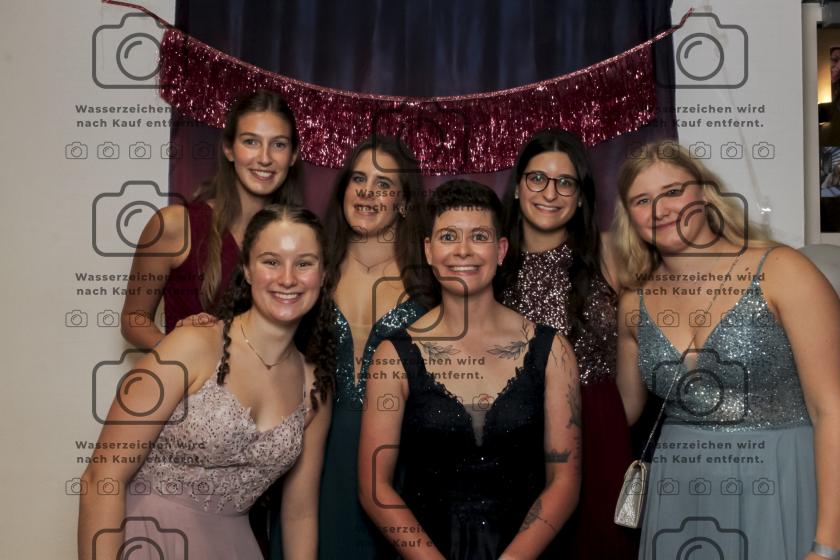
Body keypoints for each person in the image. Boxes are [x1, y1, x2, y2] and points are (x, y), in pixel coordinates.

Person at [612, 141, 840, 560]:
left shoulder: (783, 271)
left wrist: (827, 545)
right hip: (678, 490)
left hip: (779, 480)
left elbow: (833, 410)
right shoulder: (633, 301)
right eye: (642, 200)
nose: (660, 209)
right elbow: (621, 410)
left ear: (705, 193)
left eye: (673, 192)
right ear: (629, 216)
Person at [78, 205, 333, 560]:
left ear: (323, 274)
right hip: (146, 540)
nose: (287, 278)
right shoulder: (191, 345)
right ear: (247, 269)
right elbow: (102, 478)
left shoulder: (315, 387)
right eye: (271, 262)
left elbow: (299, 515)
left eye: (304, 263)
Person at [359, 180, 581, 560]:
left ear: (500, 251)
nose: (463, 250)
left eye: (479, 236)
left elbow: (564, 481)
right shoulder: (393, 355)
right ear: (429, 251)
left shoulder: (553, 350)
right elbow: (374, 488)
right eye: (449, 236)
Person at [269, 136, 435, 560]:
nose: (366, 192)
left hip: (400, 463)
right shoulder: (311, 268)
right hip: (315, 459)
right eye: (358, 179)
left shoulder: (431, 279)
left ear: (404, 201)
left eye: (383, 184)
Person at [497, 129, 636, 558]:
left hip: (598, 430)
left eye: (565, 182)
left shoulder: (609, 253)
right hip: (512, 436)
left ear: (579, 197)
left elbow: (633, 380)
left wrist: (606, 426)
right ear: (518, 187)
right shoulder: (491, 259)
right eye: (537, 178)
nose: (550, 193)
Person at [120, 89, 302, 347]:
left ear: (293, 156)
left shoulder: (300, 239)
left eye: (279, 145)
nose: (264, 158)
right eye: (250, 142)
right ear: (229, 149)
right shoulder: (175, 225)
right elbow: (133, 319)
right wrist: (181, 354)